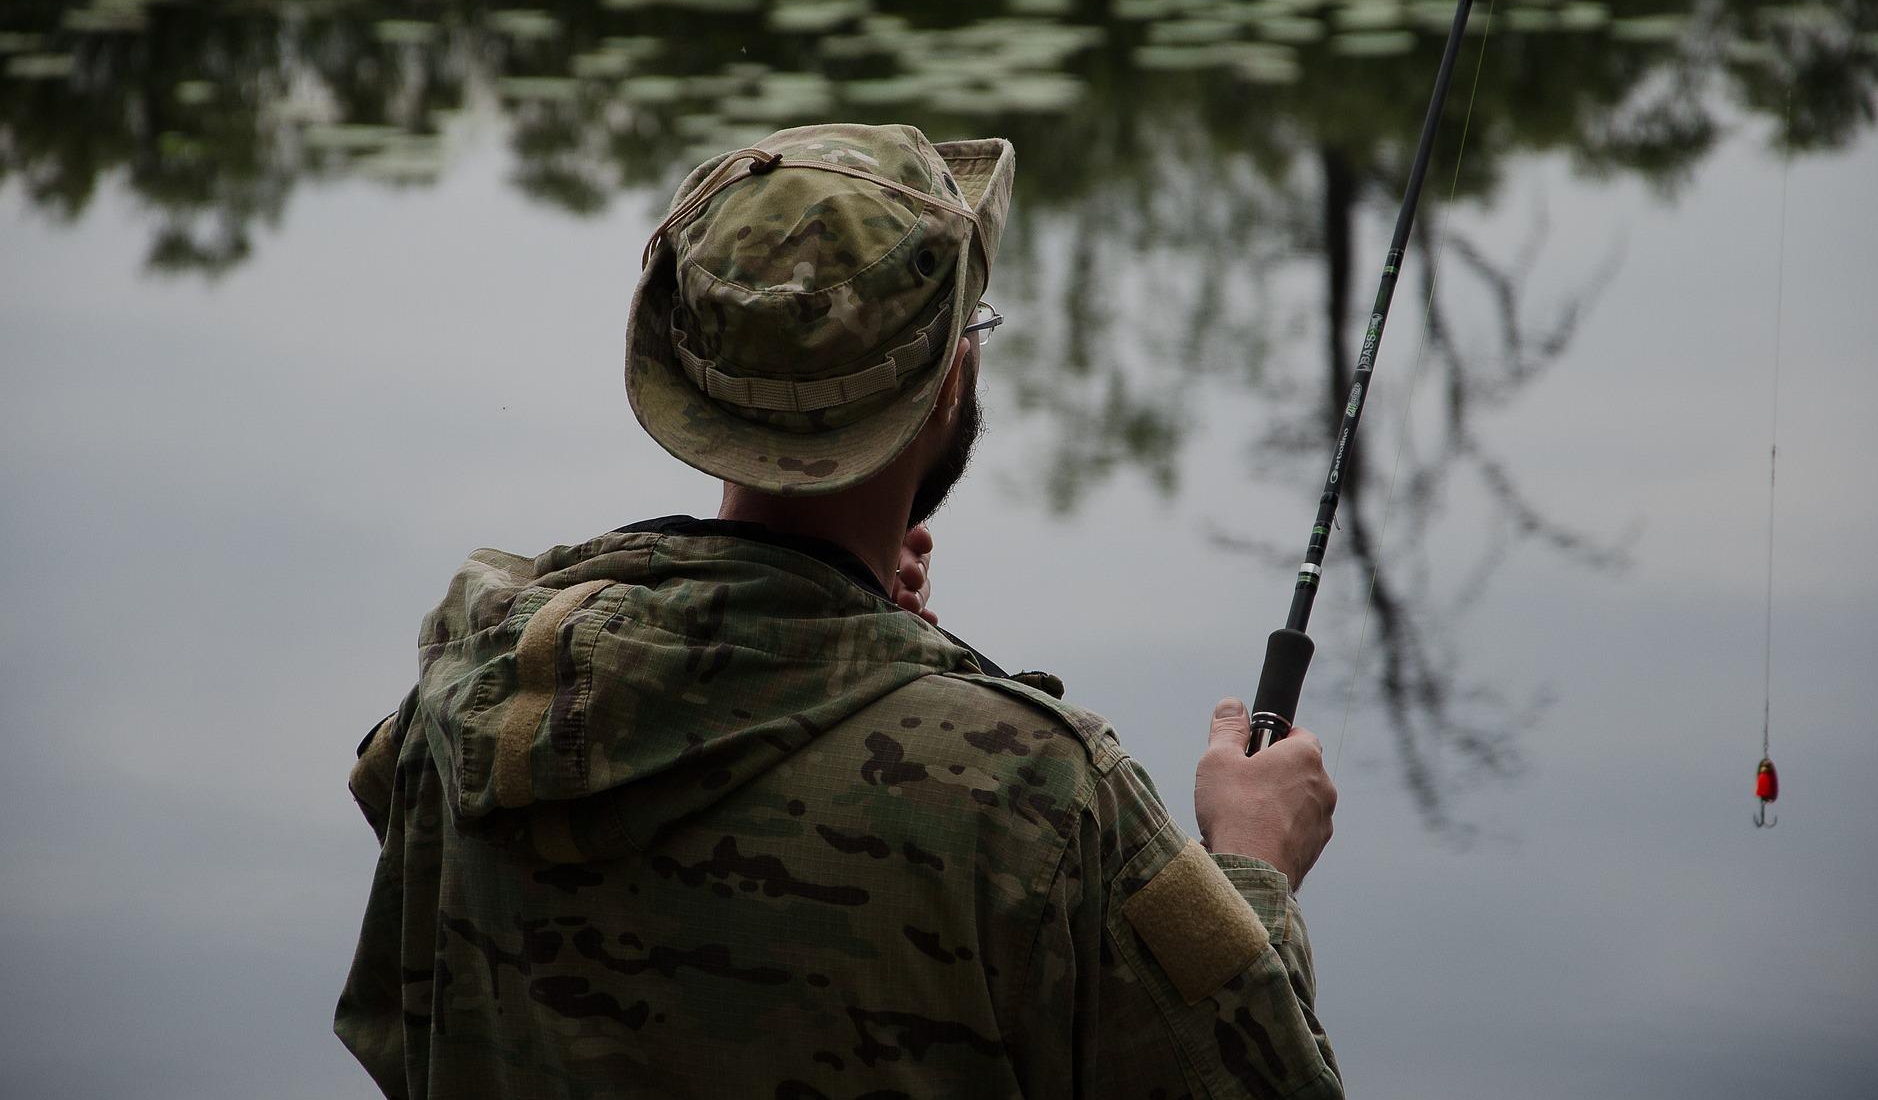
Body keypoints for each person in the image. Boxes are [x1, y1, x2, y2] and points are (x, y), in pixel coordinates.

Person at [336, 123, 1343, 1098]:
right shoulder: (1042, 797)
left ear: (694, 389)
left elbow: (397, 1035)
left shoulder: (468, 708)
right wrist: (1254, 864)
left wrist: (865, 635)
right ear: (949, 382)